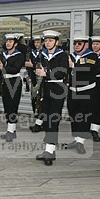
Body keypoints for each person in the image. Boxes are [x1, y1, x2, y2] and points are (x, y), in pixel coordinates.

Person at [35, 30, 69, 165]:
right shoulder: (42, 54)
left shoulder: (62, 55)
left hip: (57, 89)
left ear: (56, 42)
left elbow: (62, 72)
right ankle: (48, 149)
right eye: (46, 40)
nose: (47, 43)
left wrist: (46, 73)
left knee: (53, 120)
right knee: (46, 119)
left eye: (50, 40)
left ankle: (50, 151)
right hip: (46, 89)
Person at [63, 36, 97, 154]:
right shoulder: (71, 56)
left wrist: (74, 66)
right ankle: (77, 139)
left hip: (86, 91)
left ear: (86, 45)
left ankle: (81, 141)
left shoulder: (91, 56)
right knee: (74, 115)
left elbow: (88, 68)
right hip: (73, 90)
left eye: (79, 43)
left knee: (84, 116)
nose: (76, 46)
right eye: (75, 44)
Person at [0, 33, 26, 142]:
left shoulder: (19, 55)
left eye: (10, 41)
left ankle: (10, 131)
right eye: (7, 41)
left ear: (15, 44)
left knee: (13, 106)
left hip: (14, 81)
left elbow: (15, 69)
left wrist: (3, 67)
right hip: (5, 81)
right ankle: (11, 131)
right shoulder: (3, 54)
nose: (8, 43)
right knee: (7, 107)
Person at [27, 35, 44, 132]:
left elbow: (40, 66)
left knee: (40, 99)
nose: (36, 44)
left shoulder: (44, 53)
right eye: (35, 42)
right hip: (34, 78)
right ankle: (37, 116)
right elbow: (28, 66)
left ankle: (40, 122)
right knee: (34, 98)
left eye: (38, 42)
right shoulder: (32, 53)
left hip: (42, 78)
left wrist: (32, 65)